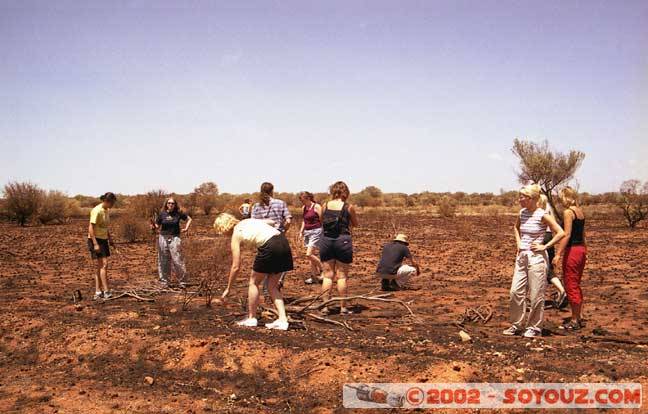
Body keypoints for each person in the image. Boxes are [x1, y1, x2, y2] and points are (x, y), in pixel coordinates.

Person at [503, 184, 565, 338]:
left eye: (522, 197)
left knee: (536, 294)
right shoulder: (522, 213)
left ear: (531, 199)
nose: (519, 199)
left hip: (537, 258)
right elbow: (516, 228)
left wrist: (545, 246)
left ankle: (534, 327)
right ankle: (516, 324)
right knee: (515, 292)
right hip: (522, 257)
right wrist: (518, 244)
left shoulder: (542, 214)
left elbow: (560, 232)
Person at [214, 213, 293, 330]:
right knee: (272, 286)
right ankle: (282, 320)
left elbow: (236, 266)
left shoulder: (236, 233)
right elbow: (271, 222)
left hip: (269, 246)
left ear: (223, 228)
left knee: (254, 283)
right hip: (283, 243)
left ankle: (251, 318)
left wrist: (228, 288)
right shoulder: (248, 221)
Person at [319, 181, 359, 315]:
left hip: (326, 241)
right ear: (345, 192)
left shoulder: (324, 206)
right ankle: (343, 308)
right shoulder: (348, 207)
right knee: (342, 276)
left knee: (327, 276)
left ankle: (325, 307)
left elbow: (321, 222)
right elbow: (355, 224)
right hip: (343, 241)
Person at [554, 187, 587, 331]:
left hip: (572, 251)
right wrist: (585, 249)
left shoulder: (568, 212)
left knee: (570, 285)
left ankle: (574, 320)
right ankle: (579, 316)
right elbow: (583, 234)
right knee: (576, 283)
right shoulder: (579, 211)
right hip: (581, 250)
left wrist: (558, 254)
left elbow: (566, 235)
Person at [251, 182, 292, 287]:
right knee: (282, 261)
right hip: (278, 235)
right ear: (272, 191)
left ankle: (266, 288)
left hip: (262, 238)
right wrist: (284, 230)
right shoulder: (280, 203)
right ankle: (276, 283)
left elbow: (253, 223)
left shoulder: (256, 206)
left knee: (265, 263)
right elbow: (288, 220)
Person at [151, 197, 192, 288]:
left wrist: (186, 228)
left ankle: (183, 281)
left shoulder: (178, 213)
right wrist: (153, 226)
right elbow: (157, 225)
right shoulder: (162, 214)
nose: (171, 205)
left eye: (172, 203)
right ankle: (164, 282)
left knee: (178, 259)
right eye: (169, 203)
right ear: (166, 204)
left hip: (175, 238)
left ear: (175, 204)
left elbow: (189, 219)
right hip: (163, 238)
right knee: (163, 260)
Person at [539, 194, 568, 309]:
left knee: (537, 267)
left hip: (540, 237)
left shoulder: (536, 204)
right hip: (549, 236)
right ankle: (562, 290)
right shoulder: (548, 205)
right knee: (548, 267)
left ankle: (536, 298)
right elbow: (554, 224)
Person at [87, 192, 117, 300]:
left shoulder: (106, 210)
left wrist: (110, 239)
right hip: (95, 239)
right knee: (104, 264)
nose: (113, 205)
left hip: (103, 240)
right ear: (106, 201)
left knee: (100, 266)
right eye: (112, 202)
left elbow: (105, 227)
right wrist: (95, 244)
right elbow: (90, 228)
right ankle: (106, 291)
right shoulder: (96, 211)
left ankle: (98, 292)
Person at [299, 191, 324, 285]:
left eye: (303, 200)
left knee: (309, 254)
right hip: (307, 232)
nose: (302, 202)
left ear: (308, 198)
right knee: (311, 257)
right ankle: (314, 277)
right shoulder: (304, 208)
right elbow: (304, 221)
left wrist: (323, 232)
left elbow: (322, 220)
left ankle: (323, 269)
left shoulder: (317, 207)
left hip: (316, 231)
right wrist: (301, 231)